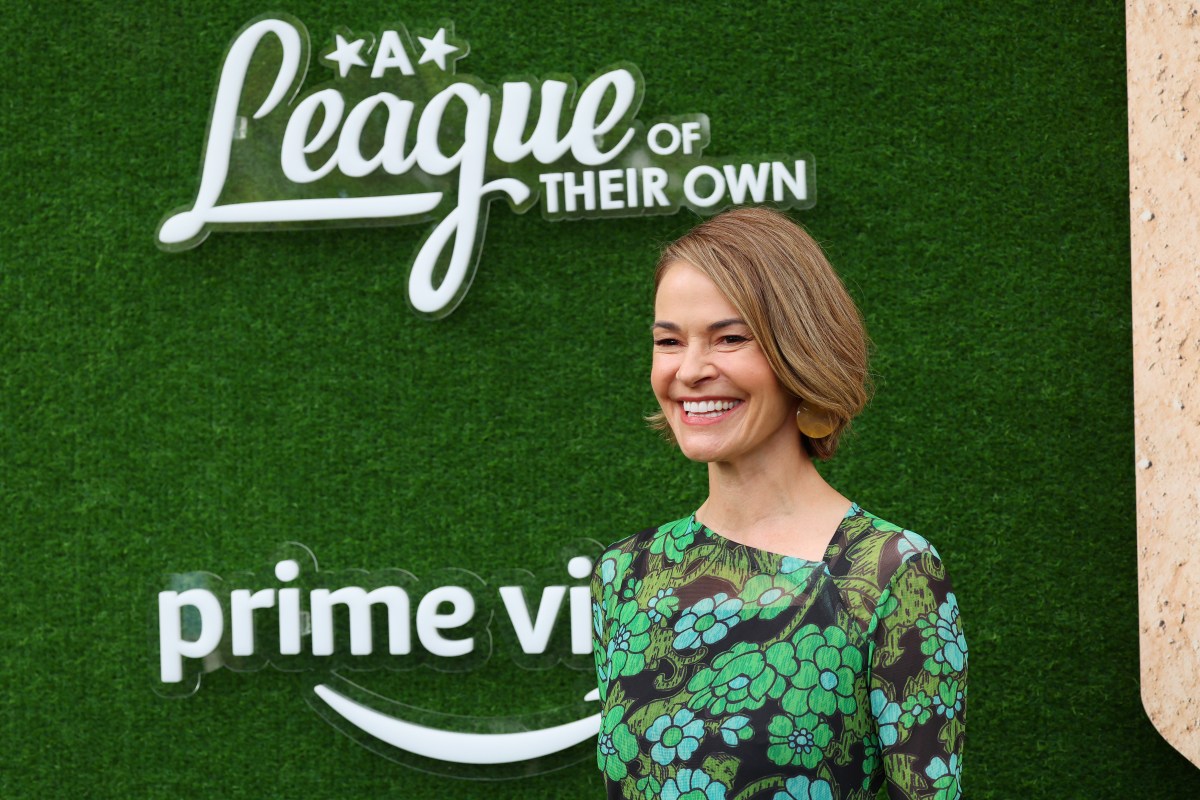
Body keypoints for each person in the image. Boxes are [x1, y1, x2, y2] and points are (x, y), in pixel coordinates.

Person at [591, 207, 966, 800]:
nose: (689, 370)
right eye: (669, 341)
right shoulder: (624, 574)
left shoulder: (891, 572)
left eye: (730, 338)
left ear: (800, 351)